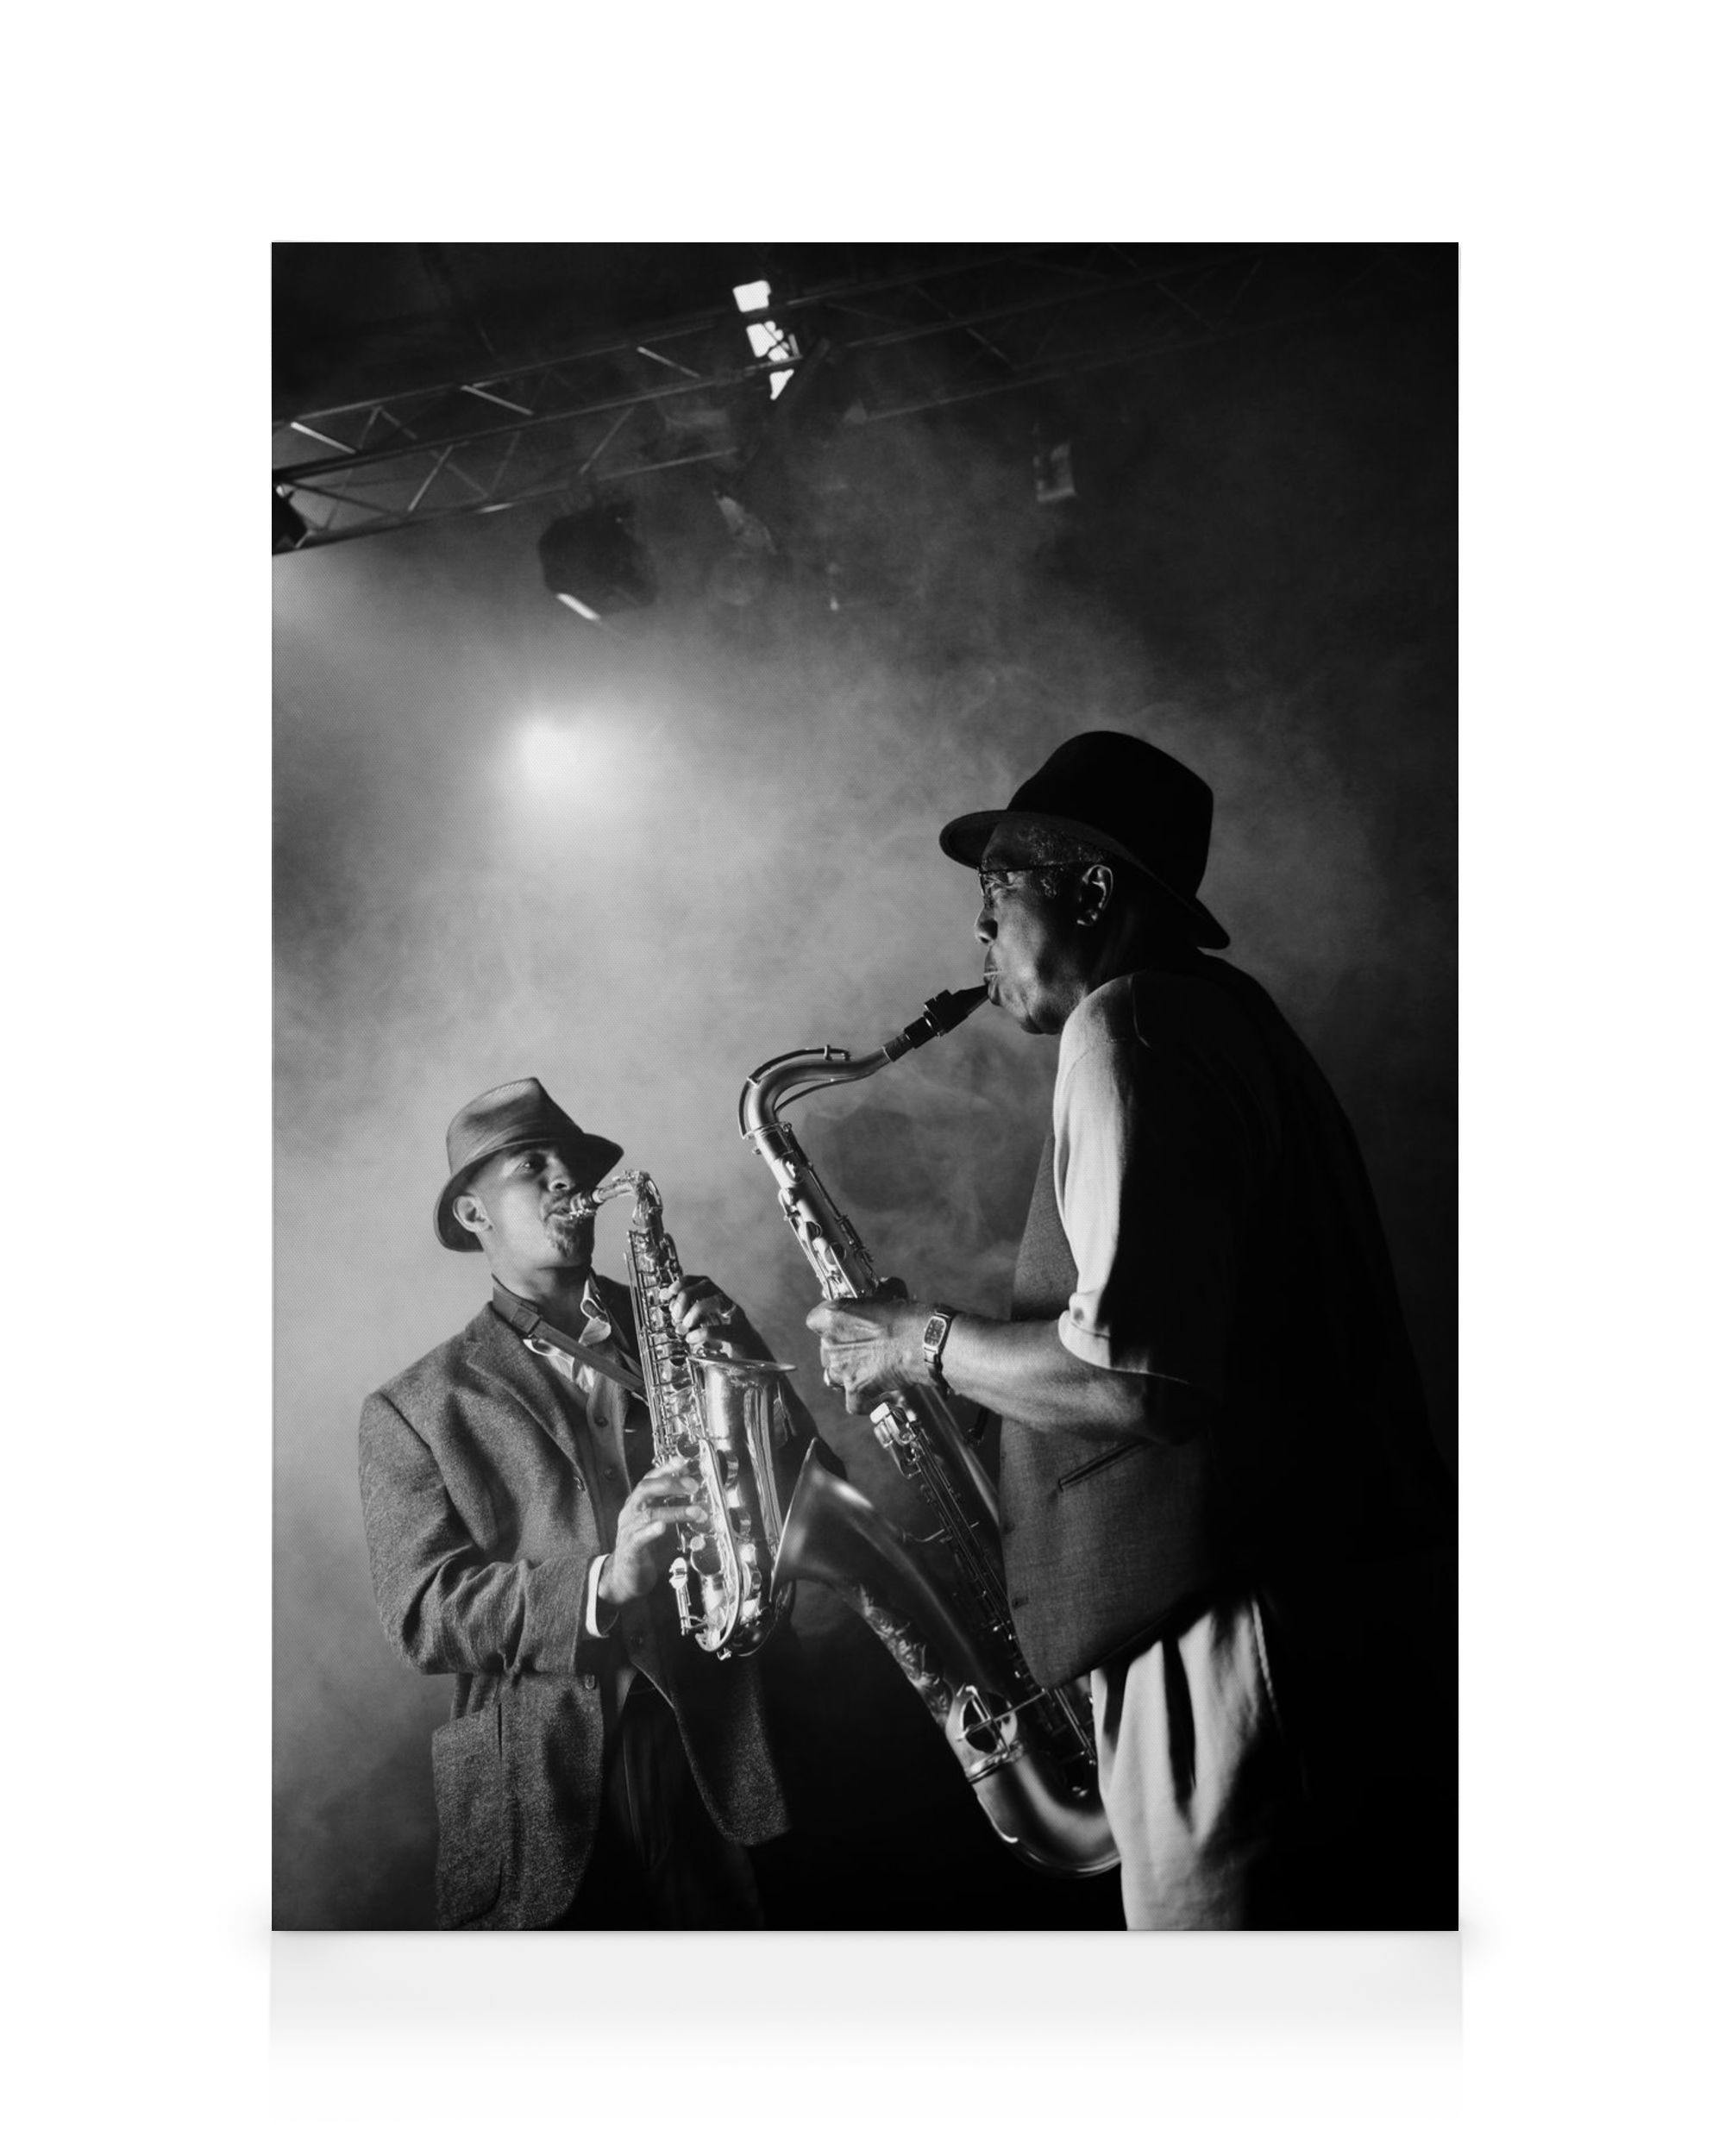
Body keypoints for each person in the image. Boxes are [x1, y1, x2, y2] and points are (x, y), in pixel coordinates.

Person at [806, 732, 1457, 1929]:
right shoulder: (1228, 1018)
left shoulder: (1132, 1025)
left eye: (997, 894)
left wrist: (919, 1342)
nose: (979, 938)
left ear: (1094, 892)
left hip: (1227, 1637)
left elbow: (1139, 1382)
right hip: (1317, 1619)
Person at [359, 1077, 807, 1929]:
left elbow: (800, 1490)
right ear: (471, 1215)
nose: (567, 1177)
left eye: (575, 1160)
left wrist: (745, 1371)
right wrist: (604, 1581)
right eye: (534, 1165)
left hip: (724, 1733)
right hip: (545, 1782)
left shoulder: (682, 1324)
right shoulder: (412, 1408)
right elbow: (421, 1613)